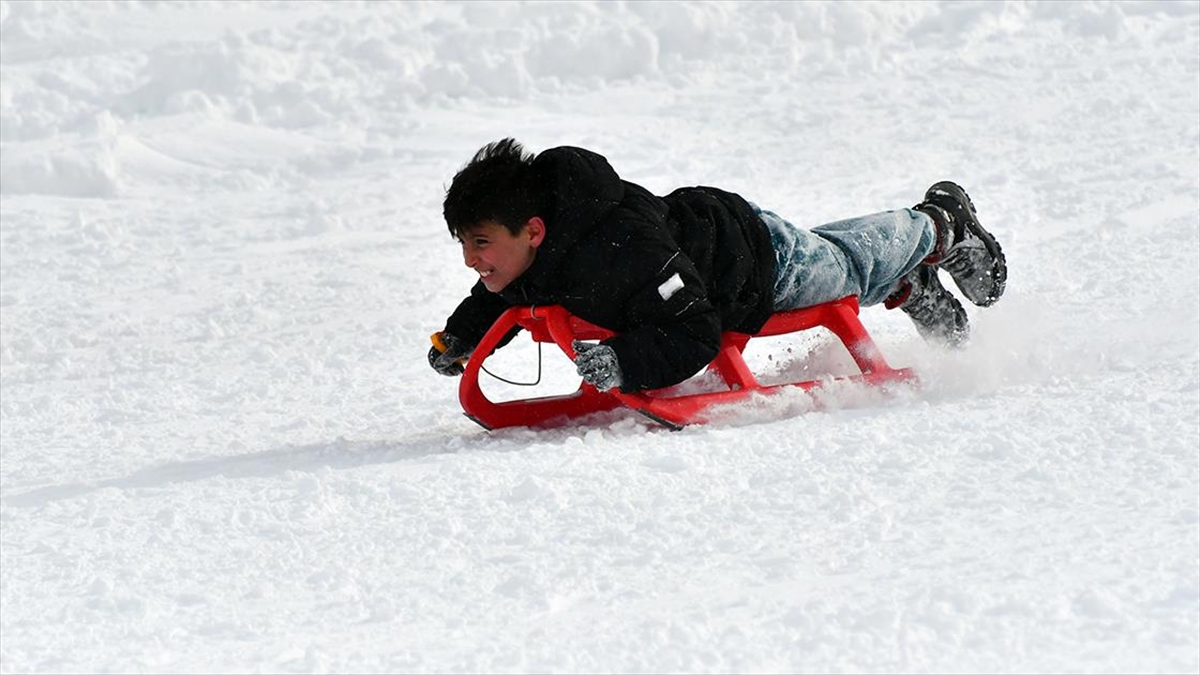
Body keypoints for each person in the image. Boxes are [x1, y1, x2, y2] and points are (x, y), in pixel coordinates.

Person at [428, 138, 1006, 394]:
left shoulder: (622, 252)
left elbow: (696, 330)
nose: (471, 261)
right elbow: (496, 294)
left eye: (480, 243)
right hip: (702, 238)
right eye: (464, 244)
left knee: (845, 266)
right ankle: (909, 281)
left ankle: (940, 223)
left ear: (532, 230)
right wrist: (462, 338)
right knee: (848, 262)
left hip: (758, 261)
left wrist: (624, 361)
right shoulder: (530, 251)